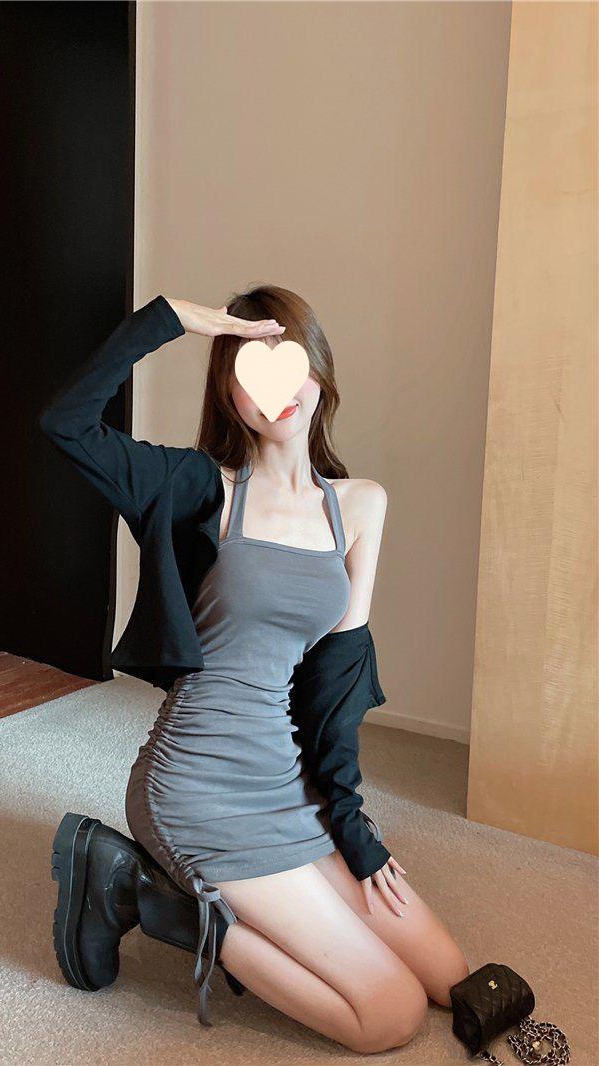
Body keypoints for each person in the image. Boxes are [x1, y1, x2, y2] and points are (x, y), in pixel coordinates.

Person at [41, 290, 469, 1053]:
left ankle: (199, 890)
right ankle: (153, 899)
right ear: (229, 396)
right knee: (392, 1015)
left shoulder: (358, 507)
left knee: (449, 976)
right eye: (249, 371)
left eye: (290, 362)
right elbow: (65, 423)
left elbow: (336, 685)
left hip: (284, 782)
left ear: (320, 373)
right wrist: (171, 319)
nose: (277, 389)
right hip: (196, 786)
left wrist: (350, 825)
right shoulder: (199, 490)